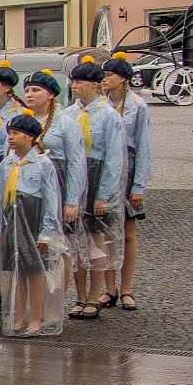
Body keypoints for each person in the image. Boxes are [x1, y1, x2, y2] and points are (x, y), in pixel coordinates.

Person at [0, 113, 65, 338]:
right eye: (9, 133)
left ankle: (35, 317)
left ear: (30, 137)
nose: (10, 137)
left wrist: (46, 233)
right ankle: (18, 315)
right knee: (16, 271)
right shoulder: (6, 164)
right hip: (11, 217)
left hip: (33, 216)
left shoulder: (43, 164)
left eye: (16, 133)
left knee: (35, 271)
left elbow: (51, 200)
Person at [62, 58, 126, 319]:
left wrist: (103, 194)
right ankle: (79, 295)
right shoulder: (69, 114)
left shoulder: (109, 115)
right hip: (76, 176)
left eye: (78, 82)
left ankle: (95, 294)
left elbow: (114, 158)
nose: (74, 87)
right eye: (73, 82)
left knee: (94, 239)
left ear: (93, 85)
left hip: (97, 174)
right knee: (76, 241)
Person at [101, 52, 154, 311]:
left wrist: (139, 185)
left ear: (123, 79)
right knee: (105, 230)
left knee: (128, 230)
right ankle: (108, 288)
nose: (104, 79)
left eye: (109, 75)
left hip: (130, 165)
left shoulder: (138, 105)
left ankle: (128, 288)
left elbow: (144, 145)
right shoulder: (101, 105)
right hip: (106, 168)